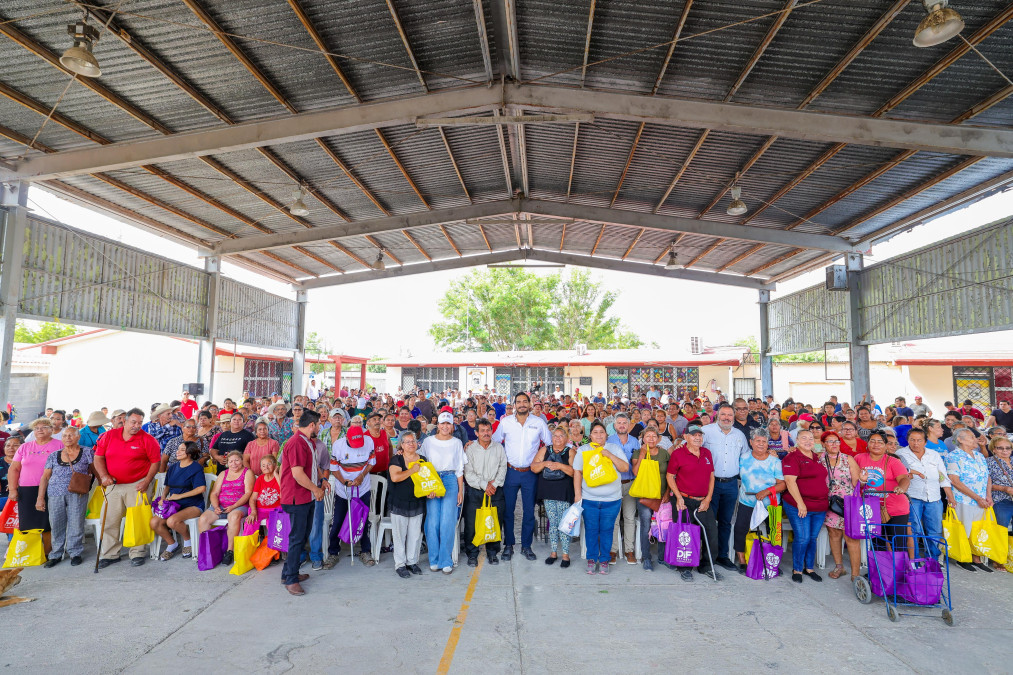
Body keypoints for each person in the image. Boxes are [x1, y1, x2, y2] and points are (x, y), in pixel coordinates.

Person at [93, 408, 161, 568]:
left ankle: (137, 552)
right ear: (125, 421)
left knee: (137, 520)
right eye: (133, 422)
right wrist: (103, 476)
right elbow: (98, 457)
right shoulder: (109, 436)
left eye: (140, 423)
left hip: (137, 485)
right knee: (108, 519)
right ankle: (110, 554)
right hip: (114, 484)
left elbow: (155, 462)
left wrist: (147, 481)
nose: (137, 426)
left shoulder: (148, 439)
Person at [491, 392, 551, 562]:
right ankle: (508, 545)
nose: (522, 404)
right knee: (508, 511)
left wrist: (539, 459)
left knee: (529, 512)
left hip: (530, 474)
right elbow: (495, 441)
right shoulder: (506, 422)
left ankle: (526, 546)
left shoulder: (538, 423)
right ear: (514, 405)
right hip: (510, 472)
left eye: (525, 401)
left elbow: (550, 444)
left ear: (530, 404)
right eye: (519, 402)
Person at [666, 424, 721, 581]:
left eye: (700, 435)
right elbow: (670, 476)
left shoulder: (706, 453)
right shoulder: (678, 454)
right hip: (684, 500)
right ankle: (685, 567)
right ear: (686, 437)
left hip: (703, 501)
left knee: (711, 532)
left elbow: (711, 476)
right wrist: (678, 497)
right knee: (685, 535)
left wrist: (708, 498)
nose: (698, 438)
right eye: (694, 435)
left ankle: (706, 566)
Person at [279, 409, 324, 595]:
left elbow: (312, 467)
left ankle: (289, 572)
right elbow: (297, 474)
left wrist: (322, 481)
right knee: (297, 538)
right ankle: (290, 579)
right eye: (319, 424)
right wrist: (315, 489)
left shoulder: (308, 442)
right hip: (297, 497)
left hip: (306, 496)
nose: (320, 428)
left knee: (301, 536)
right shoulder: (297, 442)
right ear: (312, 425)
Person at [574, 422, 628, 575]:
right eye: (595, 432)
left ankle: (604, 560)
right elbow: (577, 472)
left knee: (607, 530)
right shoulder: (583, 450)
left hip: (612, 500)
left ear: (606, 435)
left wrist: (609, 455)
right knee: (591, 530)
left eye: (601, 432)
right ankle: (591, 559)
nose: (598, 435)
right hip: (589, 499)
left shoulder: (615, 448)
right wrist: (578, 494)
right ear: (590, 435)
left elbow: (625, 468)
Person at [700, 403, 748, 572]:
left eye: (730, 415)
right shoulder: (706, 431)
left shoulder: (740, 435)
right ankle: (707, 558)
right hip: (710, 484)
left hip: (731, 485)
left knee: (726, 522)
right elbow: (695, 449)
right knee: (708, 522)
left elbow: (745, 458)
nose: (726, 418)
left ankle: (722, 556)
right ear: (717, 416)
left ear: (734, 418)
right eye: (723, 415)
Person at [37, 425, 92, 567]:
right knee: (56, 523)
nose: (67, 438)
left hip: (77, 493)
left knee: (76, 522)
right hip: (55, 493)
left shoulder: (87, 452)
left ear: (78, 437)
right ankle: (56, 554)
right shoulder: (54, 455)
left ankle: (75, 552)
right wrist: (40, 498)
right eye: (65, 435)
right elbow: (45, 477)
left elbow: (94, 470)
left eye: (71, 435)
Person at [897, 428, 955, 562]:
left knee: (935, 530)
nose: (915, 443)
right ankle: (915, 560)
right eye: (912, 440)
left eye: (919, 440)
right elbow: (900, 473)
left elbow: (942, 476)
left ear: (925, 441)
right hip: (912, 497)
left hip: (934, 497)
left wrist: (949, 496)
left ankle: (933, 560)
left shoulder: (933, 454)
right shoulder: (901, 454)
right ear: (908, 440)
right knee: (914, 530)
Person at [324, 424, 375, 569]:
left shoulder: (369, 442)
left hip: (362, 488)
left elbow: (371, 463)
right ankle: (333, 552)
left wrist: (361, 476)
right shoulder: (338, 445)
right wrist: (345, 482)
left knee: (362, 521)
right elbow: (334, 469)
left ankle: (365, 551)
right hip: (343, 490)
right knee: (338, 521)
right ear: (347, 437)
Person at [781, 429, 829, 583]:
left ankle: (809, 568)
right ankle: (797, 569)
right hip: (799, 505)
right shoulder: (792, 457)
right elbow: (790, 481)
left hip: (820, 506)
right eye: (803, 438)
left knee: (812, 538)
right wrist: (800, 504)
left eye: (810, 438)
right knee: (802, 538)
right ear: (796, 440)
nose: (808, 441)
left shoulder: (816, 457)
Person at [420, 412, 466, 574]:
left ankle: (446, 559)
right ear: (437, 425)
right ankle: (434, 558)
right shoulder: (428, 442)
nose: (445, 426)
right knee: (433, 521)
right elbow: (422, 464)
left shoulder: (457, 443)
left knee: (447, 521)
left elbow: (460, 468)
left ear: (452, 426)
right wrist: (427, 486)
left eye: (448, 423)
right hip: (432, 479)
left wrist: (460, 490)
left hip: (450, 480)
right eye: (442, 423)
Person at [855, 430, 912, 559]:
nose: (876, 444)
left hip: (896, 508)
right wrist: (862, 482)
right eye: (872, 441)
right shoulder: (859, 458)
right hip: (872, 509)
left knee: (898, 544)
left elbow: (904, 478)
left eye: (880, 442)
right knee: (877, 544)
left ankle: (899, 573)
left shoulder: (893, 461)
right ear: (867, 444)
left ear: (886, 446)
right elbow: (855, 482)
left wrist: (901, 488)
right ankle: (880, 574)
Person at [945, 427, 993, 572]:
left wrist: (988, 496)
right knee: (964, 530)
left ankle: (976, 558)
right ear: (960, 439)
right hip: (963, 500)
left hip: (982, 500)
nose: (975, 439)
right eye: (971, 436)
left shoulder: (979, 456)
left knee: (978, 531)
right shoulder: (953, 456)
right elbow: (955, 480)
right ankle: (963, 558)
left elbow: (987, 477)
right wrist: (978, 498)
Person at [151, 441, 206, 561]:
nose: (177, 451)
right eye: (178, 449)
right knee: (154, 522)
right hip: (174, 505)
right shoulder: (173, 467)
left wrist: (179, 496)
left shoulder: (196, 467)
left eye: (181, 449)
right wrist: (163, 498)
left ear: (189, 452)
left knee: (172, 521)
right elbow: (167, 486)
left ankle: (188, 542)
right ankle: (172, 544)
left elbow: (201, 488)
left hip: (193, 505)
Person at [463, 418, 507, 566]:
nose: (486, 433)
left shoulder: (499, 448)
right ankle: (472, 554)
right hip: (476, 491)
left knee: (494, 522)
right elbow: (468, 473)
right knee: (472, 524)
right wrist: (484, 485)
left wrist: (493, 484)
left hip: (495, 490)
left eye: (488, 430)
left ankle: (492, 553)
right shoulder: (470, 449)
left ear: (492, 431)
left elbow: (503, 467)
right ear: (476, 433)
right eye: (482, 430)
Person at [819, 431, 862, 580]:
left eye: (837, 441)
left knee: (851, 537)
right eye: (830, 441)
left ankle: (855, 573)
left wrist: (863, 480)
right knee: (834, 534)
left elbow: (857, 482)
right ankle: (839, 567)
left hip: (848, 503)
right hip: (830, 503)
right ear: (824, 444)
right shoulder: (819, 459)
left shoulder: (847, 459)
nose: (834, 444)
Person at [198, 450, 254, 565]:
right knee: (203, 519)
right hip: (221, 505)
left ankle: (230, 551)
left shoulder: (247, 472)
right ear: (227, 463)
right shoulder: (223, 473)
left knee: (233, 517)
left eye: (237, 460)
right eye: (231, 461)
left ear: (242, 461)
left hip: (239, 505)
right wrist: (216, 506)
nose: (234, 463)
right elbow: (214, 493)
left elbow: (248, 493)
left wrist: (234, 506)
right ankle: (208, 551)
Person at [533, 426, 576, 568]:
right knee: (552, 522)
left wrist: (559, 466)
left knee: (564, 524)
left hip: (564, 492)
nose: (557, 438)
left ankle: (565, 555)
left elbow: (574, 472)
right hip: (548, 491)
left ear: (567, 438)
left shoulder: (570, 452)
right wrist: (545, 463)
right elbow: (534, 467)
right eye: (555, 436)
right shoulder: (545, 450)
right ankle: (553, 552)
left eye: (561, 436)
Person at [387, 432, 427, 578]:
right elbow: (395, 477)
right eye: (407, 442)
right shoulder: (396, 459)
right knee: (399, 535)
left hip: (417, 502)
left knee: (415, 535)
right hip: (399, 502)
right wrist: (412, 470)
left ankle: (412, 562)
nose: (411, 444)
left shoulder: (423, 459)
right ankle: (400, 564)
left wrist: (431, 491)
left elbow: (427, 480)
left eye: (413, 441)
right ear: (402, 445)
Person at [631, 427, 671, 571]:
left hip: (662, 496)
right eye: (648, 436)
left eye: (654, 436)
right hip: (645, 496)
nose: (651, 439)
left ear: (658, 438)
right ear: (643, 438)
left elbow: (670, 474)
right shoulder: (637, 452)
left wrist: (667, 492)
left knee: (663, 525)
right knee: (646, 525)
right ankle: (646, 558)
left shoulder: (664, 454)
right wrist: (643, 453)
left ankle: (662, 557)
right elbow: (635, 472)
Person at [607, 413, 640, 565]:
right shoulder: (609, 441)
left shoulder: (635, 442)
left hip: (630, 483)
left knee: (629, 518)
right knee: (614, 519)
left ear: (628, 425)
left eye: (624, 423)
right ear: (615, 425)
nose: (621, 425)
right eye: (619, 423)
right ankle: (613, 550)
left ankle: (629, 550)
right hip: (613, 484)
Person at [986, 437, 1013, 544]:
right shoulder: (989, 462)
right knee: (1001, 529)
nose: (1005, 451)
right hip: (1000, 500)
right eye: (1000, 448)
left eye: (1008, 448)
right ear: (994, 449)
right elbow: (984, 483)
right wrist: (1005, 488)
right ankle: (998, 558)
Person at [246, 455, 282, 530]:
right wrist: (253, 511)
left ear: (275, 465)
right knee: (250, 522)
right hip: (260, 509)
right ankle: (248, 541)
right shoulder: (260, 479)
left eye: (269, 464)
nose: (266, 467)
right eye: (263, 465)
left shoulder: (280, 477)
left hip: (276, 510)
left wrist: (276, 475)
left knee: (276, 528)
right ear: (261, 468)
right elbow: (253, 498)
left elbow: (283, 495)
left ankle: (272, 541)